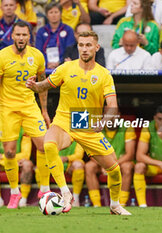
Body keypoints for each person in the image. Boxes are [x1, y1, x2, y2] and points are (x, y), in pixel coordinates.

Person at [26, 30, 131, 215]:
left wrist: (104, 121)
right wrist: (35, 86)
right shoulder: (65, 68)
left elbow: (113, 106)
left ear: (96, 47)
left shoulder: (104, 75)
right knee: (48, 145)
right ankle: (65, 193)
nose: (84, 49)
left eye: (88, 45)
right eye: (81, 45)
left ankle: (115, 205)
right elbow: (46, 85)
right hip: (64, 120)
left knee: (114, 169)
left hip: (88, 125)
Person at [0, 21, 51, 209]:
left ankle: (44, 188)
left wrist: (44, 110)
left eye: (24, 35)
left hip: (30, 107)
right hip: (8, 109)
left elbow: (42, 84)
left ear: (29, 36)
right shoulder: (1, 57)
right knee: (9, 152)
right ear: (12, 36)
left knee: (44, 147)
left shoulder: (38, 56)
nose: (21, 38)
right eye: (18, 34)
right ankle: (14, 193)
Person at [86, 117, 136, 207]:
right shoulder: (97, 127)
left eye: (115, 115)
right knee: (89, 166)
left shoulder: (127, 127)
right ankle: (96, 204)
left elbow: (130, 154)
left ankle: (122, 203)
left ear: (119, 115)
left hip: (120, 162)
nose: (112, 118)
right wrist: (104, 164)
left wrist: (111, 165)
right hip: (101, 162)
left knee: (127, 167)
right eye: (109, 115)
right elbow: (91, 152)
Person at [0, 127, 33, 207]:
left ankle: (23, 200)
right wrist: (9, 161)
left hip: (18, 163)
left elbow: (26, 154)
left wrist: (3, 157)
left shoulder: (24, 129)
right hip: (3, 163)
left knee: (27, 164)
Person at [35, 1, 76, 69]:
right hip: (45, 66)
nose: (54, 15)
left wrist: (59, 62)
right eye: (51, 12)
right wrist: (46, 62)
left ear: (61, 13)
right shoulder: (41, 31)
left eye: (56, 12)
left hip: (63, 66)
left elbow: (69, 50)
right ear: (47, 15)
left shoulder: (68, 30)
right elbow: (39, 51)